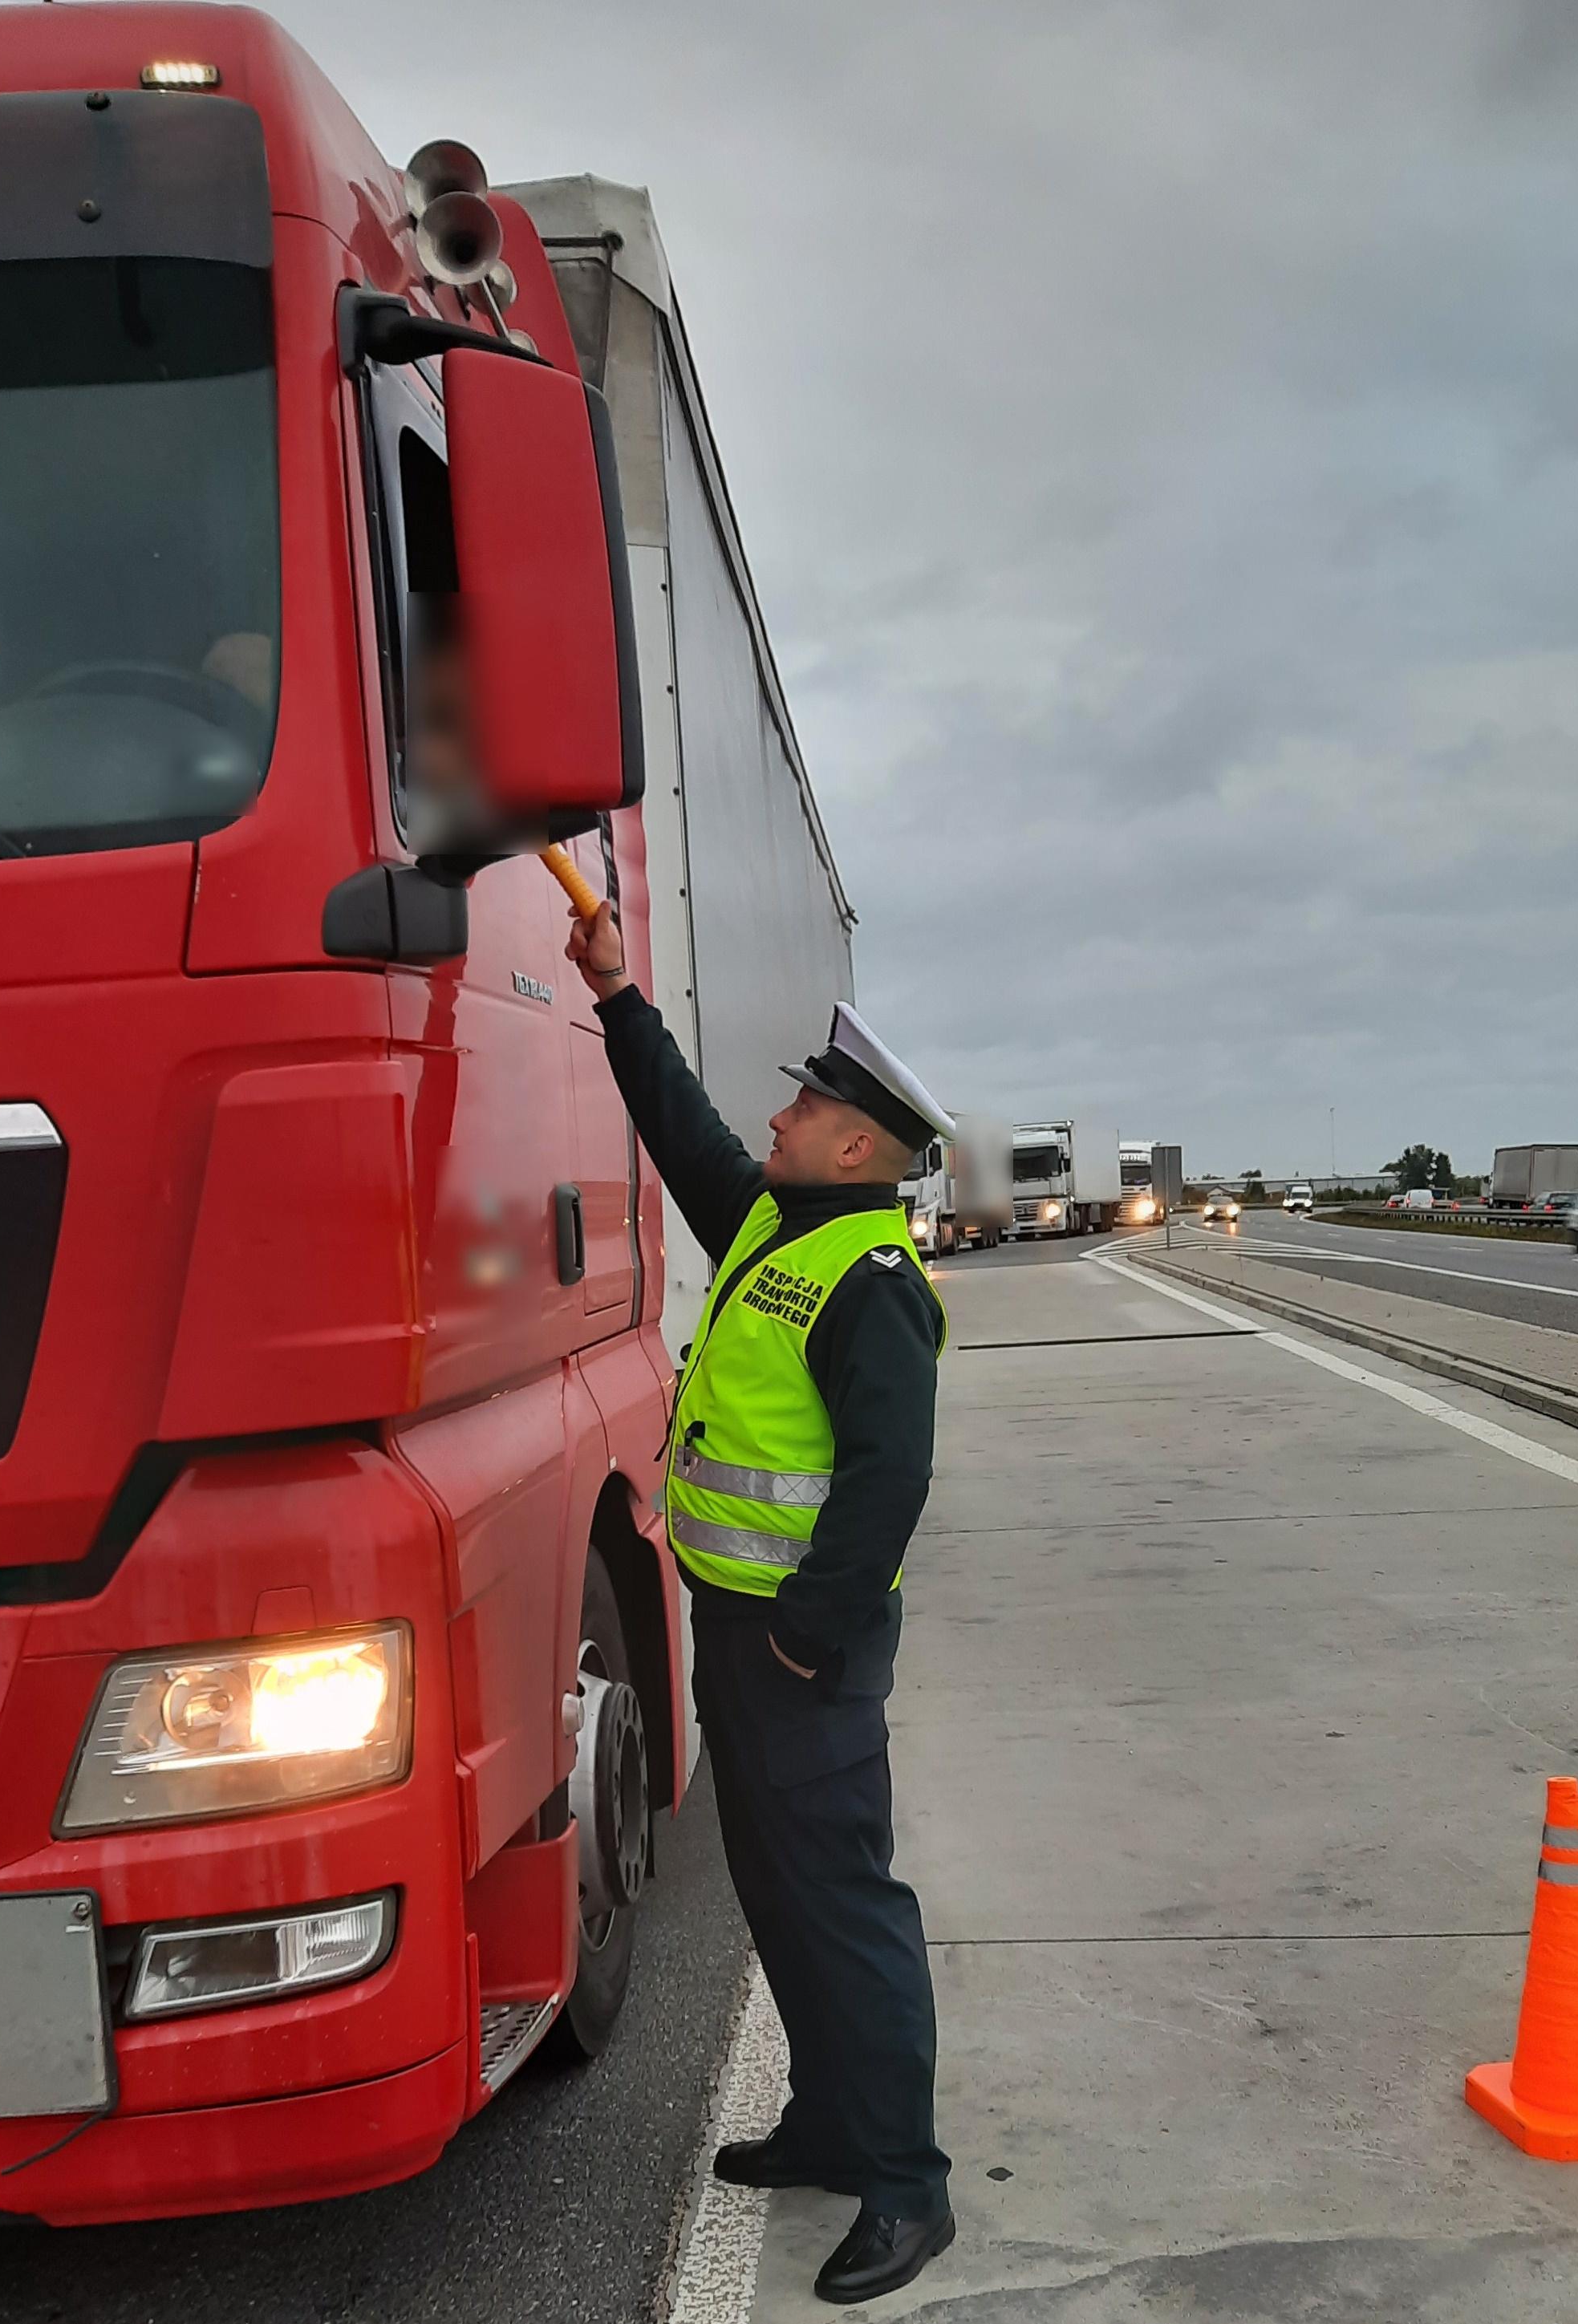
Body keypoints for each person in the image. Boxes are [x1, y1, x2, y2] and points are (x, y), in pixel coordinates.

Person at [567, 900, 957, 2308]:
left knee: (846, 1902)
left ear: (859, 1144)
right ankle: (829, 2122)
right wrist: (617, 996)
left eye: (806, 1103)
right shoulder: (776, 1233)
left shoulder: (873, 1280)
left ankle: (907, 2183)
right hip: (738, 1631)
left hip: (806, 1652)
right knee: (780, 1894)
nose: (780, 1115)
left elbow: (886, 1483)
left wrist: (803, 1634)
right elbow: (682, 1132)